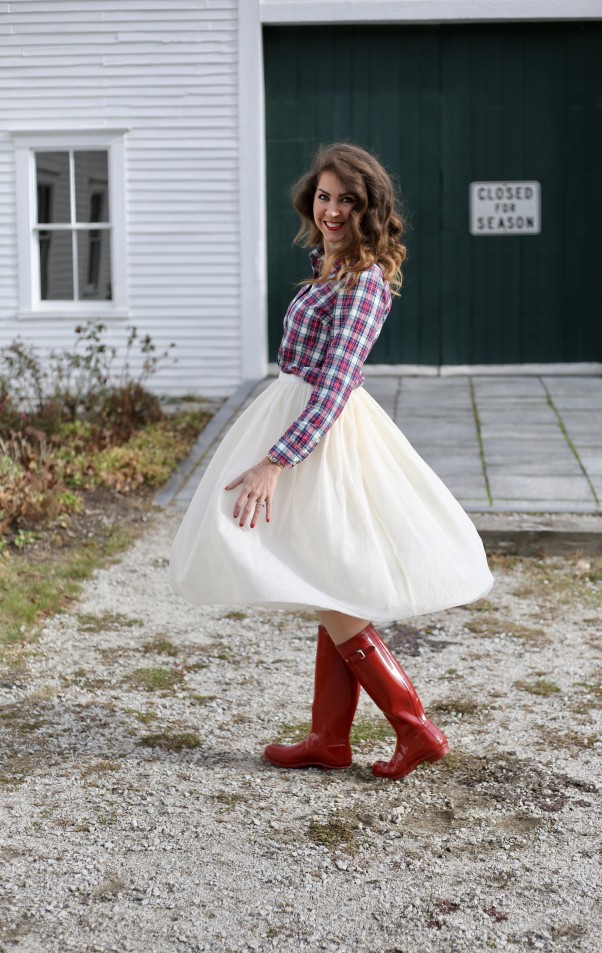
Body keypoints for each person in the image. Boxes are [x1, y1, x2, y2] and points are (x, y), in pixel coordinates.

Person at [169, 142, 493, 781]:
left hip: (321, 435)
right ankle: (329, 739)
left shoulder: (363, 281)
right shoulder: (324, 266)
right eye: (324, 196)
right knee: (328, 578)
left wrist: (275, 461)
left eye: (347, 199)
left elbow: (339, 382)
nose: (333, 210)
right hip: (298, 418)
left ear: (368, 206)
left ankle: (414, 726)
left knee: (330, 578)